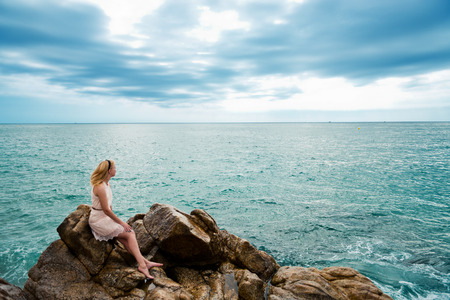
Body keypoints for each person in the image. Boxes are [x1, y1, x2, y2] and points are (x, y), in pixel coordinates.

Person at [88, 159, 162, 279]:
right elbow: (106, 210)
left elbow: (109, 207)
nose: (116, 170)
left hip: (105, 217)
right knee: (130, 233)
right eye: (115, 168)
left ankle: (145, 262)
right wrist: (122, 223)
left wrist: (116, 222)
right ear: (109, 171)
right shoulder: (100, 187)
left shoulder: (107, 185)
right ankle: (142, 265)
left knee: (126, 240)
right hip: (98, 220)